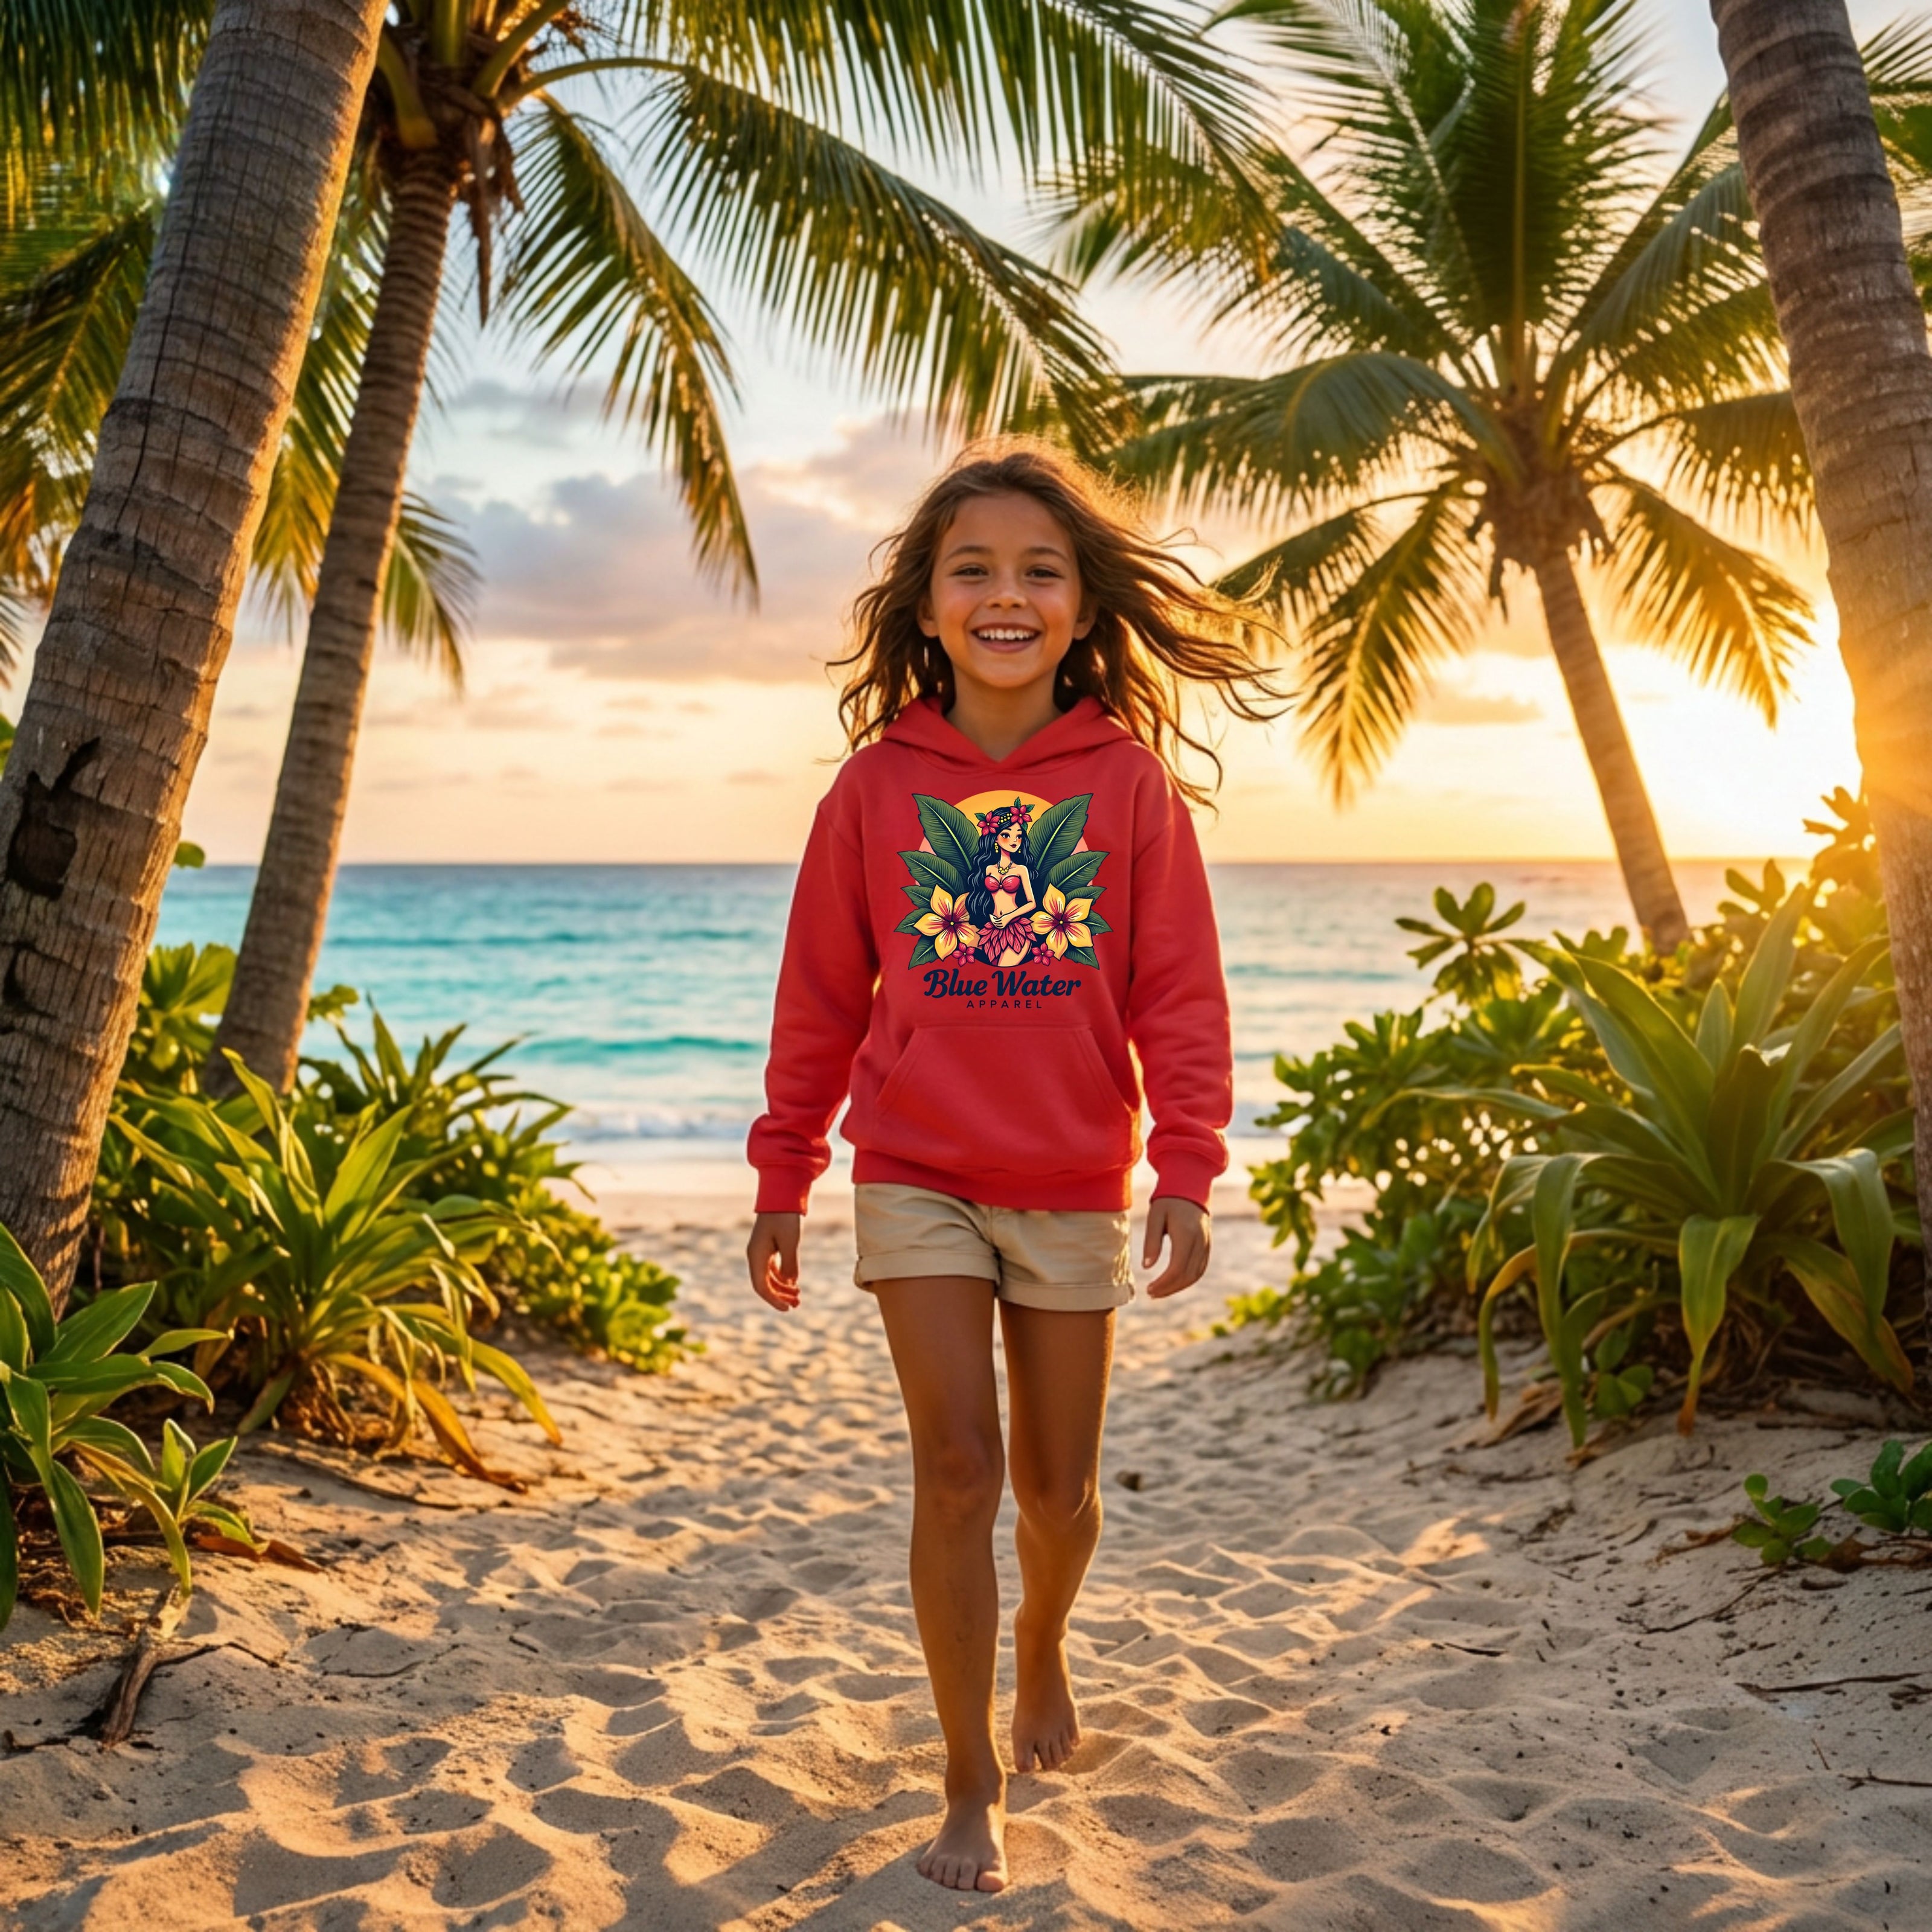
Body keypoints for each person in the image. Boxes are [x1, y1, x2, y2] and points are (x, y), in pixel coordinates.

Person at [745, 441, 1278, 1893]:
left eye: (1039, 570)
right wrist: (784, 1172)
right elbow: (818, 1001)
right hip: (914, 1168)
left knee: (1057, 1490)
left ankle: (1043, 1640)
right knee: (958, 1468)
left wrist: (1185, 1164)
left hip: (1069, 1176)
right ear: (923, 607)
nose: (1005, 593)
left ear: (1081, 605)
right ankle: (965, 1773)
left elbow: (1178, 992)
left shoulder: (1125, 786)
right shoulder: (870, 792)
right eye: (970, 569)